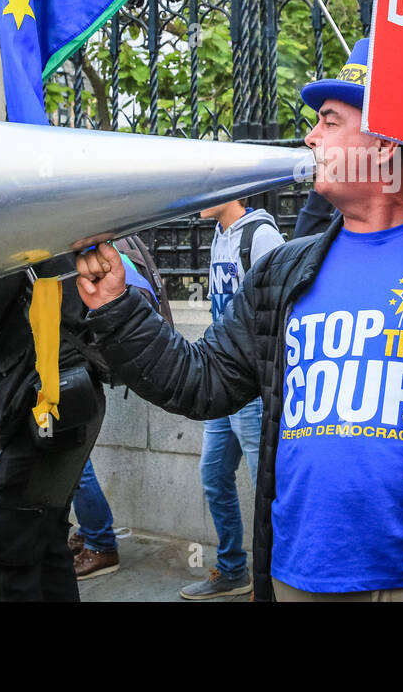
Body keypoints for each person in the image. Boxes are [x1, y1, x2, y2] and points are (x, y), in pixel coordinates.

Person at [76, 37, 403, 601]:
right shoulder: (286, 270)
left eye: (330, 121)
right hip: (297, 576)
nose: (310, 137)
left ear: (384, 141)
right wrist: (118, 311)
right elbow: (204, 382)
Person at [180, 197, 283, 599]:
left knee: (265, 487)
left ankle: (272, 581)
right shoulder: (218, 238)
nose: (198, 201)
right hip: (222, 378)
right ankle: (232, 570)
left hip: (253, 385)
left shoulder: (261, 235)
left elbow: (280, 304)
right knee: (214, 475)